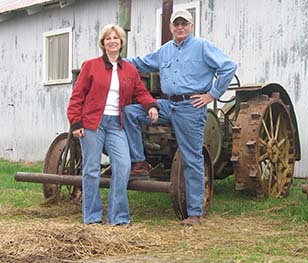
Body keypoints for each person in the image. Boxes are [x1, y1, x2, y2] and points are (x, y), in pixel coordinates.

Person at [123, 9, 237, 226]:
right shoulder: (165, 50)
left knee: (191, 157)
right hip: (168, 104)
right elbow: (141, 62)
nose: (180, 27)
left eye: (184, 24)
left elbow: (228, 66)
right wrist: (115, 59)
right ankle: (139, 162)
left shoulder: (202, 47)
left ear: (191, 26)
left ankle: (195, 213)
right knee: (131, 112)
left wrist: (212, 94)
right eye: (177, 24)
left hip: (190, 107)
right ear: (171, 27)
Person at [67, 24, 159, 225]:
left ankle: (117, 217)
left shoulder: (130, 69)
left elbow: (140, 92)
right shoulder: (90, 66)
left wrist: (150, 105)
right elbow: (77, 95)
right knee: (91, 169)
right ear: (103, 43)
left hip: (116, 124)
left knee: (123, 165)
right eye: (108, 38)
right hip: (93, 123)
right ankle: (92, 217)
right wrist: (76, 122)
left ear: (121, 43)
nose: (112, 41)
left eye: (116, 38)